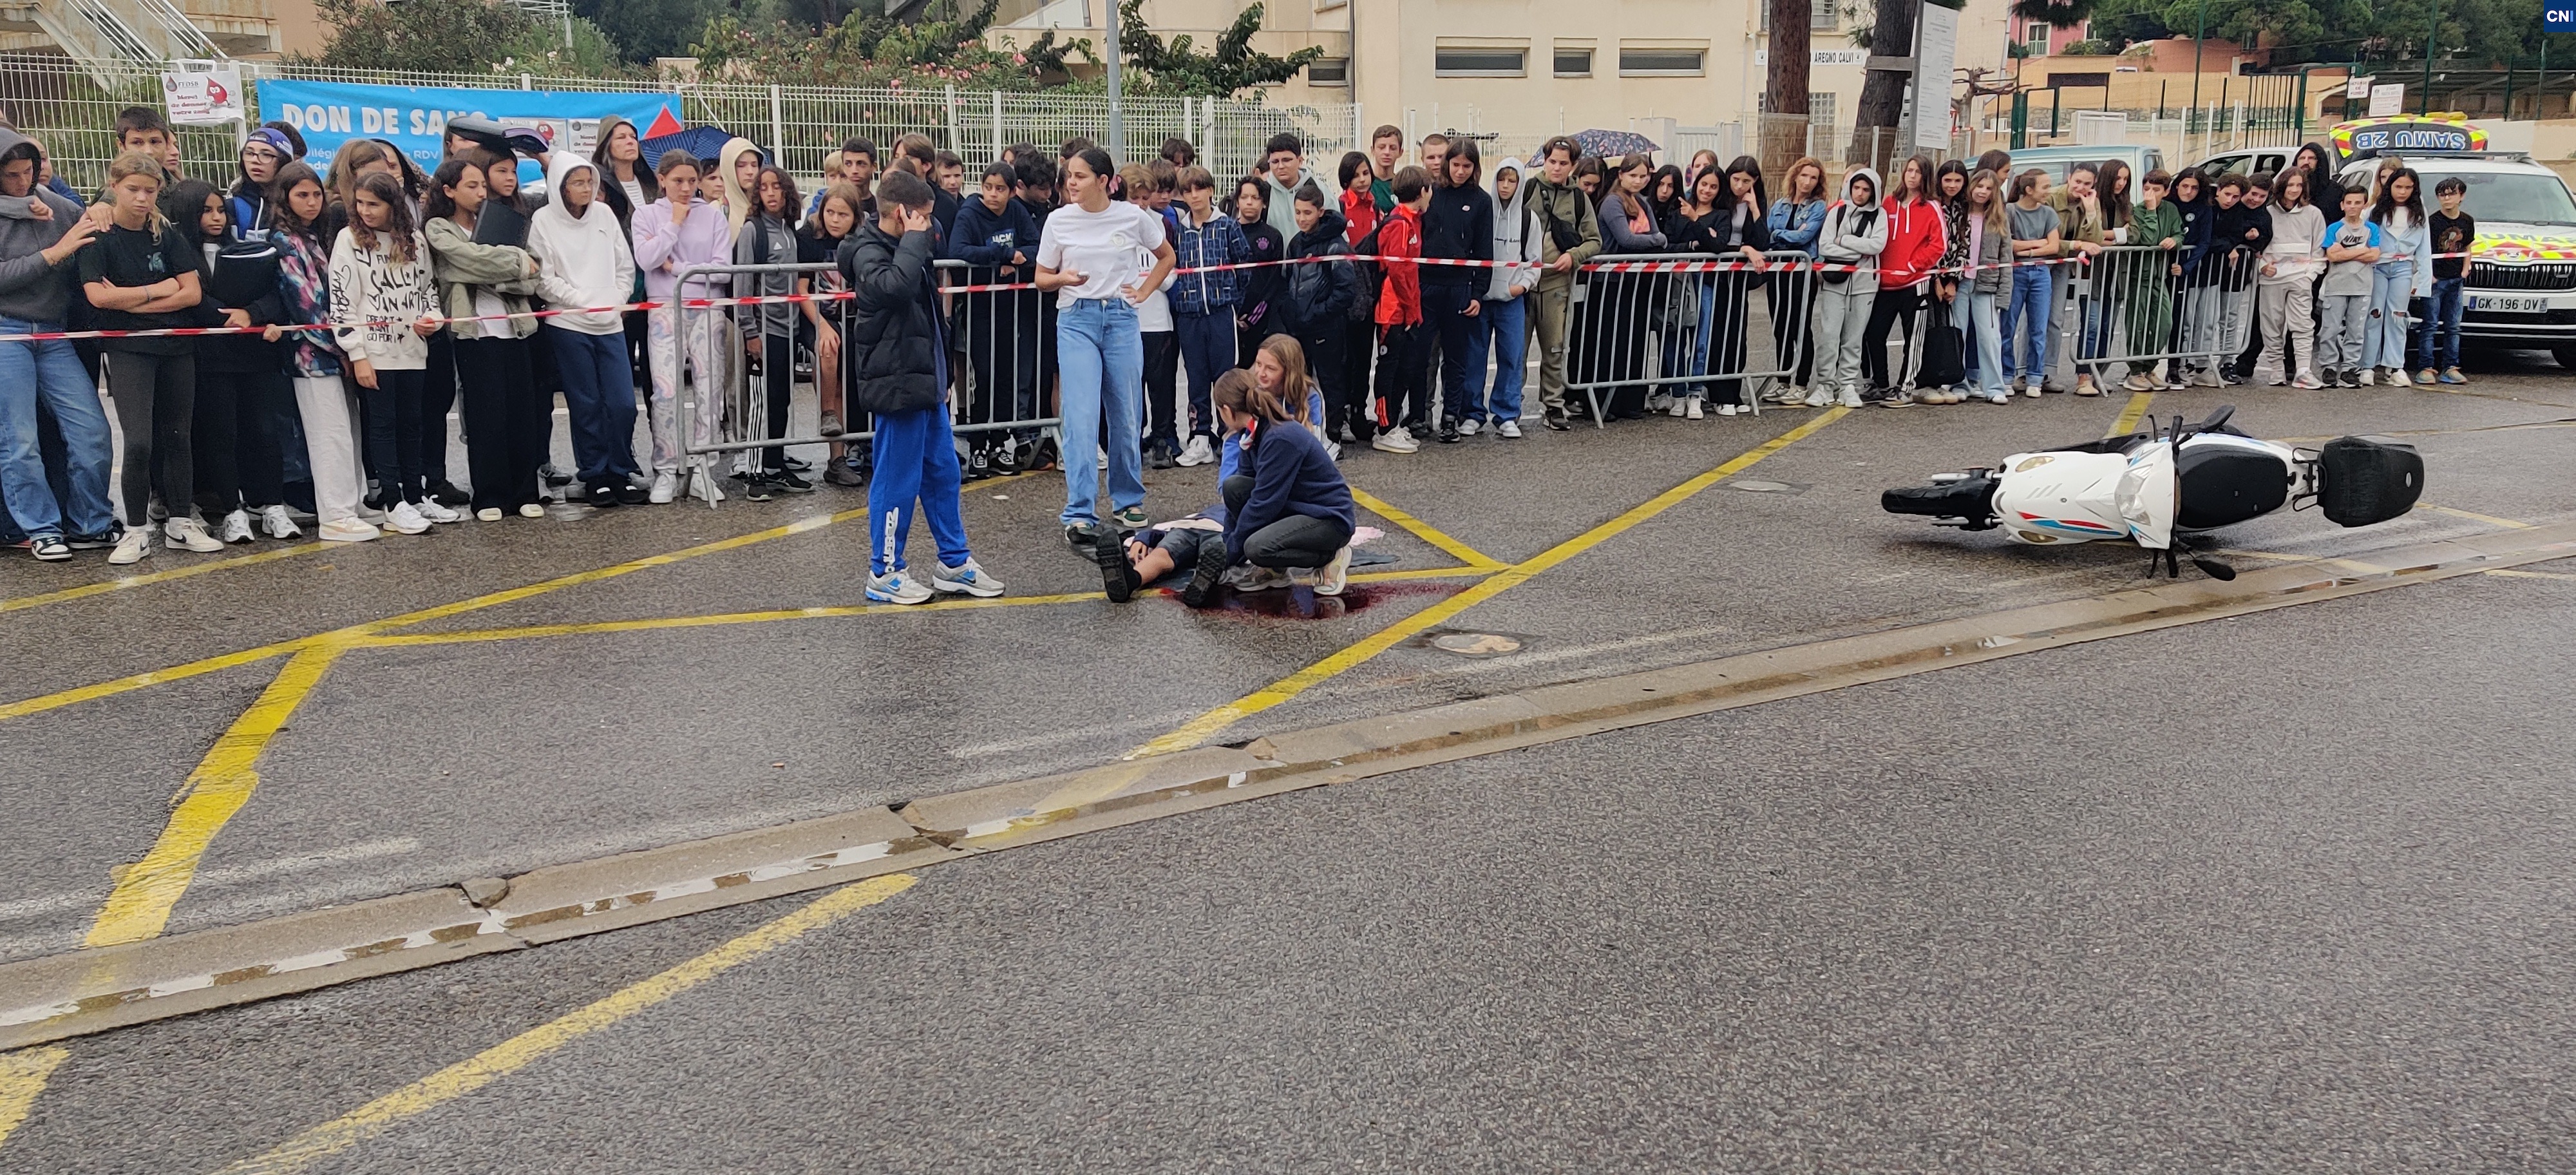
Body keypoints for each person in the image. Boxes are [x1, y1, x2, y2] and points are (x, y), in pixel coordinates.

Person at [838, 168, 1003, 604]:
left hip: (923, 378)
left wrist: (943, 373)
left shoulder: (907, 245)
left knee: (943, 473)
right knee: (896, 480)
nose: (932, 226)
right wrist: (914, 241)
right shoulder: (866, 251)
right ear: (902, 214)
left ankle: (954, 562)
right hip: (895, 381)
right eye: (925, 218)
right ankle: (885, 571)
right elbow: (893, 289)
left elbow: (929, 313)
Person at [83, 152, 218, 564]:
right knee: (139, 442)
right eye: (133, 189)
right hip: (129, 351)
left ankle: (180, 522)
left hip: (177, 347)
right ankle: (136, 529)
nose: (142, 198)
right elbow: (98, 297)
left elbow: (192, 293)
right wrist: (158, 291)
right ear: (114, 185)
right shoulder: (99, 236)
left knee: (179, 437)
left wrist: (132, 303)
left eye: (150, 190)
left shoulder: (168, 235)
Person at [1036, 146, 1173, 549]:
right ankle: (1079, 511)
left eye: (1079, 176)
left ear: (1104, 181)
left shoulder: (1132, 217)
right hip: (1076, 320)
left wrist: (1143, 292)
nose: (1071, 183)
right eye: (1069, 176)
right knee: (1079, 417)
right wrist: (1063, 278)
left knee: (1126, 412)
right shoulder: (1058, 220)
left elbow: (1167, 257)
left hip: (1121, 320)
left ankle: (1128, 500)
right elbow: (1041, 277)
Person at [0, 128, 113, 560]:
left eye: (29, 171)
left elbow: (97, 215)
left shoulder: (53, 204)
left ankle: (91, 522)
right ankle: (42, 528)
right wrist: (55, 252)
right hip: (7, 332)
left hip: (53, 332)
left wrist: (103, 207)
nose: (24, 182)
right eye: (12, 175)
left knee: (92, 432)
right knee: (19, 440)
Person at [166, 178, 290, 544]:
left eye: (221, 210)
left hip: (254, 355)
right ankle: (232, 509)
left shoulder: (245, 249)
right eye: (207, 211)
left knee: (265, 431)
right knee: (223, 434)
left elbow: (273, 292)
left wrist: (252, 314)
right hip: (211, 359)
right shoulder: (180, 253)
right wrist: (225, 317)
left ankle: (270, 504)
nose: (217, 218)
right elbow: (192, 300)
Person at [426, 155, 548, 521]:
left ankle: (526, 491)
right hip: (474, 332)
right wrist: (512, 263)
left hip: (517, 327)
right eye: (471, 186)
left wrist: (493, 269)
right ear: (449, 191)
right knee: (485, 416)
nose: (481, 193)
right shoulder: (438, 228)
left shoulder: (502, 222)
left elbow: (534, 273)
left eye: (483, 185)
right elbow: (462, 261)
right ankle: (489, 496)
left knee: (523, 413)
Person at [328, 171, 450, 536]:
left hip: (412, 349)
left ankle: (415, 497)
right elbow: (341, 302)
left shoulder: (415, 241)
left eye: (374, 204)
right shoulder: (348, 240)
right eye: (360, 203)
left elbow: (428, 289)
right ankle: (392, 502)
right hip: (374, 351)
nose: (365, 211)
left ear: (393, 205)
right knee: (383, 428)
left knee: (412, 425)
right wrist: (357, 353)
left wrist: (434, 319)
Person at [529, 151, 647, 506]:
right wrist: (582, 300)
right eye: (577, 183)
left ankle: (621, 470)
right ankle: (596, 475)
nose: (586, 189)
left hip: (610, 321)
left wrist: (617, 297)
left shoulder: (605, 215)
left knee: (623, 402)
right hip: (568, 322)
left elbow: (625, 264)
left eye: (589, 181)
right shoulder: (543, 220)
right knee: (586, 403)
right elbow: (544, 280)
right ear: (560, 187)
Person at [267, 160, 374, 542]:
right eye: (302, 195)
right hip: (311, 356)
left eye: (316, 194)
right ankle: (335, 515)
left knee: (350, 430)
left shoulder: (315, 237)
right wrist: (345, 347)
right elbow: (307, 304)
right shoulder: (283, 242)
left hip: (338, 350)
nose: (312, 203)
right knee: (328, 434)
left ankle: (352, 503)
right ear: (285, 197)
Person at [629, 149, 733, 505]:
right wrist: (673, 222)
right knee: (666, 392)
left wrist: (677, 268)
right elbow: (646, 259)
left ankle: (704, 467)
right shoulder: (645, 214)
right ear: (662, 180)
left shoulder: (714, 216)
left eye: (692, 181)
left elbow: (722, 271)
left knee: (710, 388)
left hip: (707, 309)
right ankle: (666, 469)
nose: (687, 188)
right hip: (663, 311)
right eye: (678, 181)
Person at [1215, 347, 1356, 596]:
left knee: (1256, 548)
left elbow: (1264, 503)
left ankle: (1331, 555)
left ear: (1226, 411)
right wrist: (1226, 546)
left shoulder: (1280, 438)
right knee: (1234, 487)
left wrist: (1230, 555)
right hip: (1298, 507)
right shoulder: (1253, 431)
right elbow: (1245, 491)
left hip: (1328, 518)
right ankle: (1275, 570)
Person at [949, 162, 1041, 479]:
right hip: (979, 309)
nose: (993, 194)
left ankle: (1001, 442)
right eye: (988, 187)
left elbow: (1035, 246)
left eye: (1000, 189)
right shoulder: (970, 213)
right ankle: (978, 446)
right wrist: (1002, 256)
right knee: (983, 378)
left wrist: (1018, 259)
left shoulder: (1016, 212)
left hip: (1009, 308)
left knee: (1006, 376)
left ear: (1012, 190)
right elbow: (959, 249)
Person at [737, 164, 810, 496]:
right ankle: (755, 474)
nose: (770, 192)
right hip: (764, 330)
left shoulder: (790, 230)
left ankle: (774, 464)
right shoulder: (753, 230)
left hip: (789, 329)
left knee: (781, 400)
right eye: (763, 187)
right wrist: (750, 331)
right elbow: (743, 283)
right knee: (761, 402)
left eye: (776, 186)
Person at [1168, 164, 1247, 466]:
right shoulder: (1180, 229)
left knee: (1225, 376)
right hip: (1189, 315)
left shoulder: (1227, 226)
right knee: (1196, 377)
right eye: (1187, 190)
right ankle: (1200, 435)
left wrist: (1231, 301)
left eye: (1199, 188)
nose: (1194, 195)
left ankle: (1230, 433)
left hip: (1220, 313)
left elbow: (1244, 267)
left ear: (1211, 190)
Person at [1420, 140, 1493, 443]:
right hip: (1428, 286)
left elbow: (1484, 250)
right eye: (1456, 165)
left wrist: (1478, 293)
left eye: (1467, 166)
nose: (1461, 171)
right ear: (1446, 164)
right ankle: (1420, 415)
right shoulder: (1430, 193)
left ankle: (1451, 417)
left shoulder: (1481, 201)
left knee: (1456, 359)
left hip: (1460, 289)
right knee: (1425, 357)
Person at [1524, 136, 1600, 430]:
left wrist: (1573, 255)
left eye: (1563, 163)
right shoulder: (1527, 188)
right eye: (1552, 161)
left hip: (1556, 284)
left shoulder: (1580, 198)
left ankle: (1554, 406)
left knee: (1554, 349)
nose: (1556, 168)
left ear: (1574, 166)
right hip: (1522, 284)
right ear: (1544, 160)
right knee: (1516, 351)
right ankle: (1509, 407)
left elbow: (1595, 240)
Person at [1859, 155, 1944, 407]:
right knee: (1874, 334)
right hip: (1885, 283)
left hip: (1914, 284)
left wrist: (1912, 266)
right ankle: (1881, 384)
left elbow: (1938, 246)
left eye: (1918, 172)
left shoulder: (1931, 207)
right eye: (1909, 171)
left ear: (1925, 176)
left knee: (1913, 340)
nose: (1912, 176)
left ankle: (1906, 389)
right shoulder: (1889, 203)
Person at [1463, 155, 1539, 437]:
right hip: (1481, 299)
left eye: (1512, 180)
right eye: (1501, 179)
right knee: (1474, 357)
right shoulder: (1483, 210)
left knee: (1512, 356)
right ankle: (1472, 413)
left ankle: (1507, 413)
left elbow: (1535, 261)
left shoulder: (1529, 219)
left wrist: (1519, 287)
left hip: (1511, 301)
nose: (1505, 186)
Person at [1280, 182, 1359, 444]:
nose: (1302, 218)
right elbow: (1289, 282)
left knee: (1330, 382)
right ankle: (1304, 433)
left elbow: (1347, 291)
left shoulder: (1335, 246)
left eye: (1308, 213)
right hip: (1299, 328)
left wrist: (1318, 313)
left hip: (1327, 327)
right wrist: (1292, 313)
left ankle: (1333, 437)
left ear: (1321, 212)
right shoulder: (1295, 244)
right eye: (1298, 212)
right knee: (1299, 382)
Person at [1586, 153, 1665, 419]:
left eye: (1643, 176)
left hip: (1637, 281)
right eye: (1633, 175)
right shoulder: (1611, 203)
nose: (1639, 181)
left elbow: (1652, 237)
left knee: (1634, 342)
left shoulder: (1643, 202)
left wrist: (1654, 240)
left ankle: (1630, 401)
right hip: (1610, 282)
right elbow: (1627, 239)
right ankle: (1605, 402)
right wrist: (1655, 240)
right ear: (1621, 176)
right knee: (1609, 341)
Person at [1118, 164, 1184, 469]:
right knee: (1131, 387)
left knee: (1161, 385)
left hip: (1158, 318)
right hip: (1126, 318)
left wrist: (1152, 282)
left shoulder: (1160, 224)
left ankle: (1163, 440)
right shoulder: (1114, 225)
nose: (1142, 205)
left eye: (1146, 198)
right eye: (1136, 198)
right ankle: (1131, 440)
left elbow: (1170, 269)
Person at [1806, 167, 1886, 410]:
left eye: (1865, 189)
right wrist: (1856, 248)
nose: (1860, 193)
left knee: (1853, 337)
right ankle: (1825, 385)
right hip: (1834, 282)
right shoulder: (1837, 212)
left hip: (1865, 284)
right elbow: (1825, 247)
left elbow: (1877, 245)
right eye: (1856, 188)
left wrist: (1844, 241)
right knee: (1829, 334)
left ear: (1874, 192)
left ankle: (1848, 384)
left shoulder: (1879, 215)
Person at [799, 181, 863, 483]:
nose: (835, 219)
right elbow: (801, 290)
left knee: (856, 385)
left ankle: (860, 450)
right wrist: (822, 325)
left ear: (855, 218)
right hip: (818, 317)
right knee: (828, 349)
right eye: (830, 213)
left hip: (856, 319)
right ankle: (831, 431)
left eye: (843, 214)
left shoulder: (862, 241)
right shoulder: (808, 238)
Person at [1369, 165, 1431, 451]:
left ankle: (1393, 423)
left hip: (1408, 309)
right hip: (1392, 311)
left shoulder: (1414, 221)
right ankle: (1383, 428)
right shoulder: (1399, 223)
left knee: (1407, 368)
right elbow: (1397, 271)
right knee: (1389, 369)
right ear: (1422, 192)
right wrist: (1408, 308)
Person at [1764, 156, 1829, 405]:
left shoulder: (1818, 207)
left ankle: (1801, 383)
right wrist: (1782, 235)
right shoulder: (1779, 204)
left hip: (1802, 271)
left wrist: (1780, 235)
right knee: (1780, 326)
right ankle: (1783, 380)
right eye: (1804, 176)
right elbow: (1768, 235)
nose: (1808, 182)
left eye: (1813, 178)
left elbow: (1805, 238)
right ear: (1795, 176)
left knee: (1799, 326)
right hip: (1778, 270)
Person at [2255, 167, 2325, 388]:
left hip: (2300, 278)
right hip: (2272, 279)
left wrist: (2310, 275)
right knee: (2272, 325)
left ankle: (2303, 371)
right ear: (2281, 186)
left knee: (2303, 324)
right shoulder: (2267, 212)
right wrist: (2262, 266)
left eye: (2299, 185)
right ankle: (2276, 369)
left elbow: (2318, 250)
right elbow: (2257, 248)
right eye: (2290, 185)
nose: (2294, 190)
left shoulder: (2313, 213)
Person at [2044, 162, 2107, 396]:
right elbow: (2043, 239)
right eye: (2077, 181)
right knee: (2031, 321)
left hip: (2063, 266)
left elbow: (2097, 240)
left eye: (2087, 184)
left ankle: (2048, 373)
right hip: (2041, 263)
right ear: (2069, 178)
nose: (2080, 187)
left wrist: (2091, 210)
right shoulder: (2051, 198)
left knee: (2056, 320)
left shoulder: (2091, 201)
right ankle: (2024, 372)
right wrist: (2077, 244)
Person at [2119, 169, 2184, 393]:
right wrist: (2151, 211)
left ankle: (2149, 367)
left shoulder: (2172, 210)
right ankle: (2135, 370)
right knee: (2138, 324)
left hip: (2159, 276)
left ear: (2166, 191)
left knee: (2164, 323)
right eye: (2147, 189)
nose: (2151, 194)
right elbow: (2148, 238)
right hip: (2138, 276)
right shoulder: (2137, 211)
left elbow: (2179, 234)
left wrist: (2174, 240)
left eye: (2156, 190)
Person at [1953, 167, 2012, 404]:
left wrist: (2004, 293)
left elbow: (2006, 258)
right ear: (1971, 187)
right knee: (1958, 335)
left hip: (1986, 285)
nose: (1983, 192)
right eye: (1979, 186)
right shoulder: (1959, 213)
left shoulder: (1999, 219)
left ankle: (1994, 387)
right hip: (1958, 284)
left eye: (1989, 188)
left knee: (1989, 337)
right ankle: (1959, 383)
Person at [2000, 169, 2061, 399]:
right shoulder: (2010, 211)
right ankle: (2006, 376)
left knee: (2038, 328)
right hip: (2016, 272)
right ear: (2029, 190)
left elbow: (2053, 247)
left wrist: (2028, 248)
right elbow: (2009, 245)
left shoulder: (2048, 213)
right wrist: (2039, 244)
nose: (2048, 191)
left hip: (2041, 272)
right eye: (2044, 187)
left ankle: (2035, 377)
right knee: (2008, 325)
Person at [2366, 166, 2428, 387]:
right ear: (2389, 186)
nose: (2402, 192)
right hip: (2378, 266)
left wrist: (2423, 281)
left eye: (2408, 188)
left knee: (2398, 316)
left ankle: (2395, 366)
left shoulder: (2420, 212)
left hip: (2403, 267)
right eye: (2398, 186)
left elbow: (2424, 247)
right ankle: (2368, 366)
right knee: (2374, 315)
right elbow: (2365, 239)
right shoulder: (2375, 210)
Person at [2316, 186, 2380, 389]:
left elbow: (2375, 255)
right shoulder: (2335, 228)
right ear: (2343, 205)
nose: (2352, 207)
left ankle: (2350, 368)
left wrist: (2347, 252)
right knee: (2331, 328)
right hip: (2337, 286)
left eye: (2357, 203)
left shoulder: (2372, 229)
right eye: (2349, 203)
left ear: (2364, 204)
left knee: (2356, 330)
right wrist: (2361, 251)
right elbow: (2333, 256)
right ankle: (2328, 367)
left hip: (2362, 287)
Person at [2419, 176, 2473, 385]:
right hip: (2436, 279)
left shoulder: (2467, 221)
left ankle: (2451, 366)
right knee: (2430, 324)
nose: (2447, 198)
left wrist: (2465, 270)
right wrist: (2429, 274)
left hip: (2456, 279)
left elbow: (2468, 247)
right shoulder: (2432, 222)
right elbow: (2424, 250)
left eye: (2452, 194)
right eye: (2443, 195)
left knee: (2454, 326)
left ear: (2462, 196)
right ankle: (2426, 367)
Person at [2165, 168, 2216, 387]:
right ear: (2177, 186)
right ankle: (2139, 367)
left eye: (2194, 188)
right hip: (2160, 268)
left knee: (2179, 320)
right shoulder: (2167, 204)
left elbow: (2204, 242)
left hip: (2182, 272)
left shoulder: (2204, 209)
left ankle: (2174, 366)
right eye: (2185, 186)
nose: (2189, 191)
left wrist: (2186, 267)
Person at [1229, 175, 1285, 362]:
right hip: (1231, 316)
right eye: (1245, 197)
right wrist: (1234, 314)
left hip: (1261, 321)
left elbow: (1274, 282)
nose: (1250, 202)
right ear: (1237, 202)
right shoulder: (1227, 233)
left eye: (1255, 198)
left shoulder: (1273, 236)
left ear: (1264, 203)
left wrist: (1253, 318)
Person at [227, 126, 294, 238]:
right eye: (249, 153)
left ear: (284, 162)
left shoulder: (297, 203)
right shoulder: (232, 207)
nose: (255, 161)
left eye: (266, 155)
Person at [1260, 133, 1327, 242]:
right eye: (1275, 162)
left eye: (1287, 160)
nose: (1281, 166)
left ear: (1300, 161)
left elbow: (1336, 230)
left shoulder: (1320, 189)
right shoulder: (1262, 193)